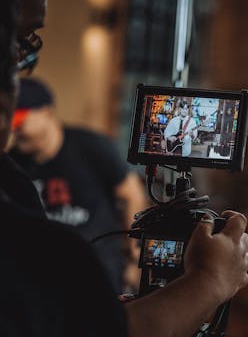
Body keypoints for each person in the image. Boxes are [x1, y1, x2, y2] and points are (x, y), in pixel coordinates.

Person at [0, 0, 248, 336]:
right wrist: (210, 280)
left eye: (26, 44)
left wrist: (134, 266)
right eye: (18, 44)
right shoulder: (44, 243)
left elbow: (130, 197)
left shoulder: (79, 153)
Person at [8, 77, 147, 293]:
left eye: (19, 123)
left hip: (99, 271)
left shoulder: (90, 147)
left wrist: (133, 257)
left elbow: (131, 194)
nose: (14, 131)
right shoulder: (12, 163)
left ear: (46, 112)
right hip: (42, 278)